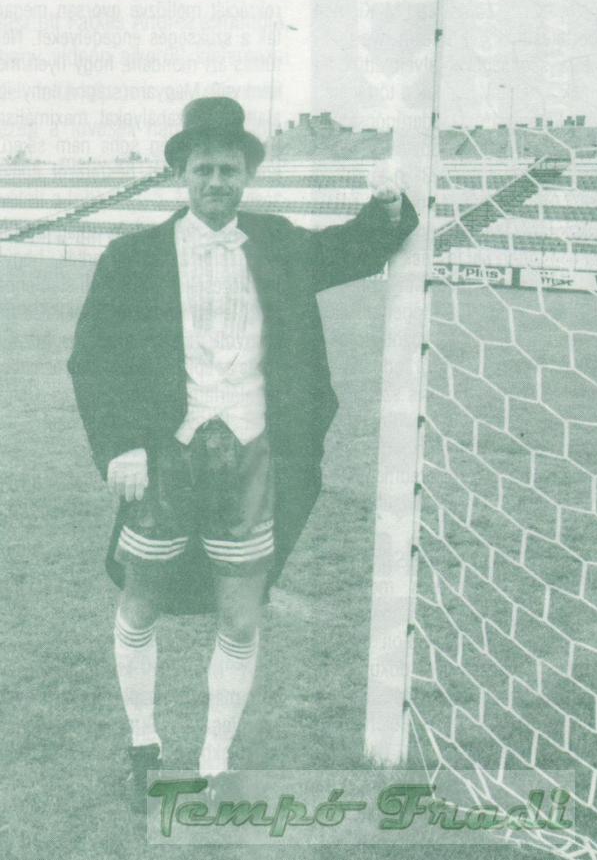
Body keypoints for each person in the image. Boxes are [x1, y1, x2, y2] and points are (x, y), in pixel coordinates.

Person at [67, 96, 418, 813]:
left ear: (247, 175)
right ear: (181, 172)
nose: (216, 181)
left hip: (254, 458)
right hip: (166, 458)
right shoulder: (131, 257)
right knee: (141, 598)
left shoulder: (278, 242)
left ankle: (215, 761)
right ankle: (143, 744)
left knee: (241, 613)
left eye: (229, 169)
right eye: (204, 168)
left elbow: (353, 248)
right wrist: (120, 445)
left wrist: (387, 204)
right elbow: (92, 359)